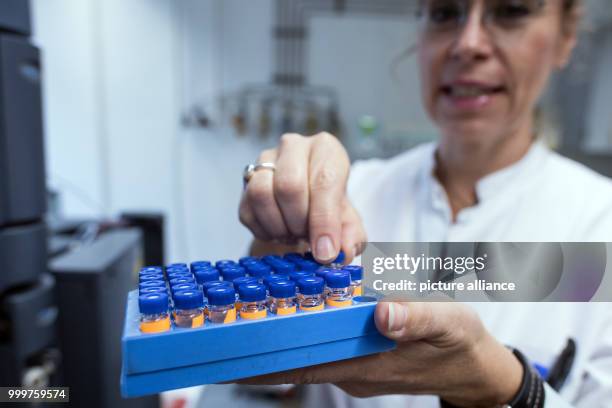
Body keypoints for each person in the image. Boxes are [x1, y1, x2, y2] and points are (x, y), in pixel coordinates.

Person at [238, 0, 612, 406]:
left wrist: (511, 387)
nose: (468, 44)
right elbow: (263, 384)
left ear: (565, 38)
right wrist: (277, 248)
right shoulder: (346, 201)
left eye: (511, 11)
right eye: (445, 13)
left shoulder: (599, 226)